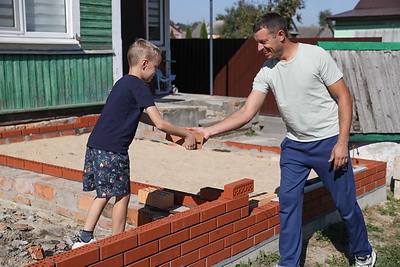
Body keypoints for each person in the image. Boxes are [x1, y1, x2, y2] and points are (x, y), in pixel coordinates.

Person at [190, 13, 376, 267]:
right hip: (295, 147)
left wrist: (342, 142)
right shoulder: (267, 71)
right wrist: (209, 131)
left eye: (263, 41)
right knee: (288, 207)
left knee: (346, 205)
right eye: (257, 42)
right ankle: (289, 262)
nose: (259, 48)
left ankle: (363, 252)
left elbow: (344, 97)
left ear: (280, 35)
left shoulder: (315, 56)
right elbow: (246, 112)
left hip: (328, 144)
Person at [72, 38, 197, 249]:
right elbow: (159, 121)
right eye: (155, 68)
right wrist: (186, 134)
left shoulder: (123, 82)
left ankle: (85, 237)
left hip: (96, 145)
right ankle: (116, 242)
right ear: (144, 63)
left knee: (104, 194)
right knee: (121, 194)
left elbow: (137, 115)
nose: (155, 73)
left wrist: (169, 133)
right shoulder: (140, 86)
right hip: (113, 150)